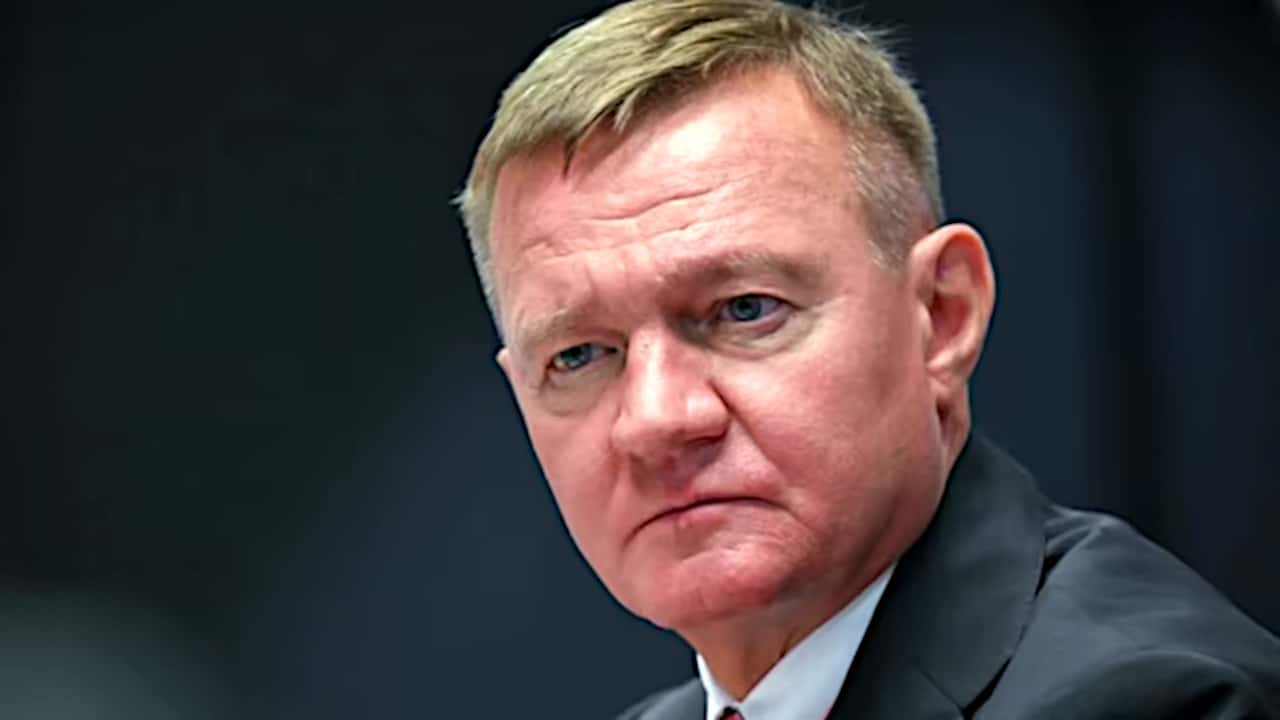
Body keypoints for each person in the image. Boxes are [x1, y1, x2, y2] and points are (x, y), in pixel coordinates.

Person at [454, 1, 1280, 717]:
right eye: (580, 355)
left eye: (745, 309)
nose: (658, 418)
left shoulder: (1160, 701)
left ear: (942, 316)